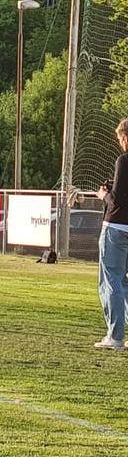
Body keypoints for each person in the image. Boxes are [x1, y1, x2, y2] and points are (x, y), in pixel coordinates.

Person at [95, 118, 128, 350]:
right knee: (125, 282)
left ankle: (115, 336)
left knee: (111, 280)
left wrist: (103, 195)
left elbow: (117, 200)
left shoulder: (123, 160)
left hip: (116, 228)